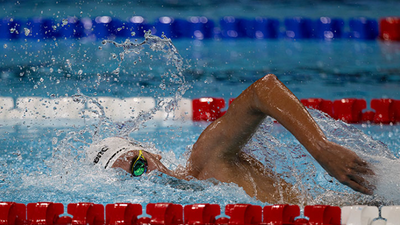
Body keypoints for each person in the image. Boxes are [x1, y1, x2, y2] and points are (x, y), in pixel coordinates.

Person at [89, 74, 374, 203]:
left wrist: (321, 148)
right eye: (132, 178)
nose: (146, 176)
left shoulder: (205, 162)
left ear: (153, 154)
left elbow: (264, 90)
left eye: (139, 164)